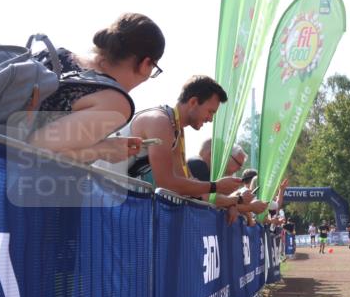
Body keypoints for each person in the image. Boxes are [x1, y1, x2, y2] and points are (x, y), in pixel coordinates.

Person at [27, 13, 165, 163]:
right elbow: (34, 151)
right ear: (146, 64)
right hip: (6, 177)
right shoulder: (115, 102)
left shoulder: (56, 54)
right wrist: (102, 151)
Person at [125, 75, 243, 200]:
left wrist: (233, 202)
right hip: (106, 194)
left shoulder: (175, 129)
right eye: (210, 111)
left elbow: (185, 182)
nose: (210, 119)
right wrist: (215, 186)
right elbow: (166, 183)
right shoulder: (161, 122)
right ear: (193, 102)